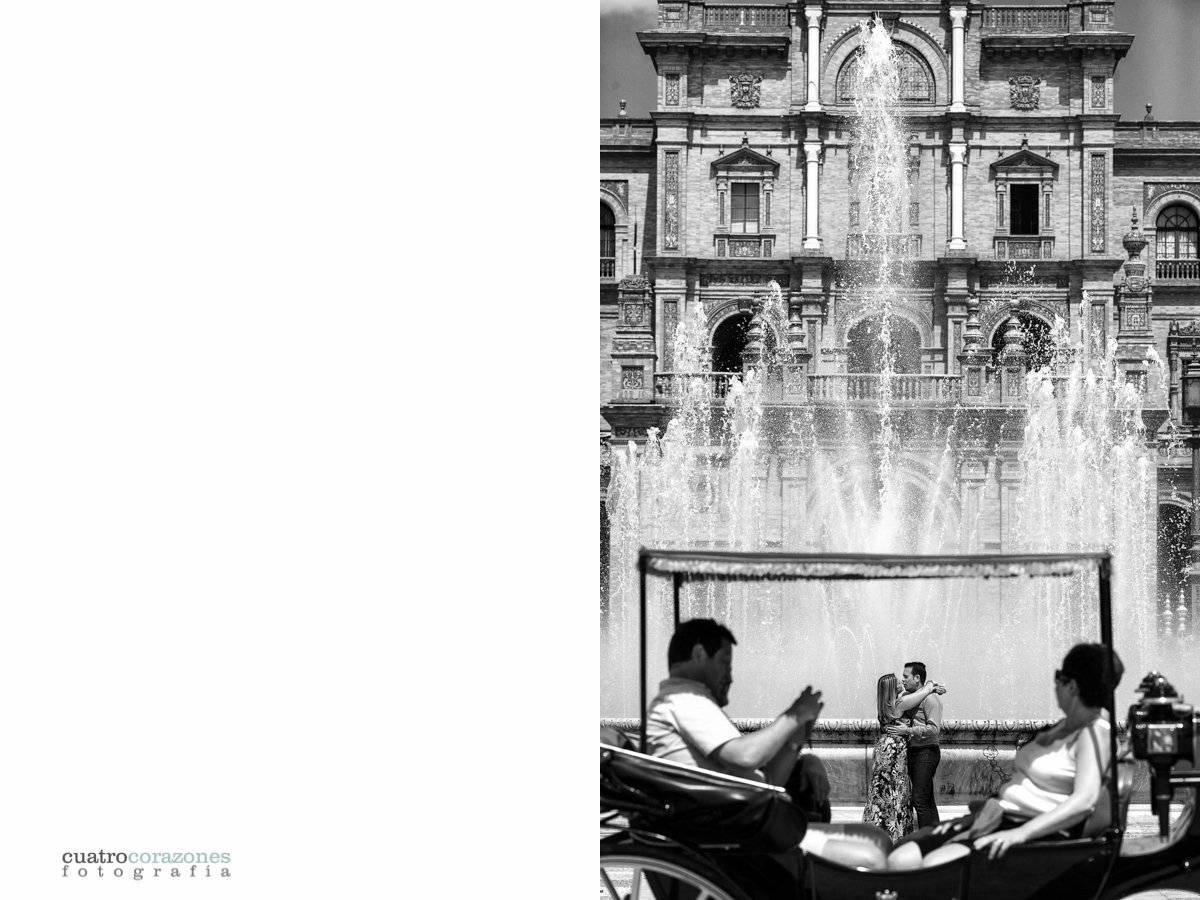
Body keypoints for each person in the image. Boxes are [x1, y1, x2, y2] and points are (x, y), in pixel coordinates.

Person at [646, 618, 892, 869]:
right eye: (724, 663)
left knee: (878, 840)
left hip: (740, 830)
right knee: (872, 857)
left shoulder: (688, 702)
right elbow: (746, 756)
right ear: (699, 654)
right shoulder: (683, 699)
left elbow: (767, 781)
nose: (730, 676)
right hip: (734, 840)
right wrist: (793, 715)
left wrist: (797, 743)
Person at [888, 643, 1124, 869]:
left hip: (1022, 828)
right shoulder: (1065, 728)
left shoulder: (1095, 733)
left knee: (927, 867)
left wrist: (1021, 833)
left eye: (1058, 677)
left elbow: (1084, 801)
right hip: (995, 818)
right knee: (901, 858)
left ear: (1072, 686)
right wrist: (975, 817)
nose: (1054, 686)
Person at [862, 673, 947, 841]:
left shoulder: (889, 704)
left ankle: (881, 830)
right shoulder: (899, 704)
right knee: (894, 792)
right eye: (897, 681)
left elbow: (918, 695)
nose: (901, 681)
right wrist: (930, 686)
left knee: (884, 791)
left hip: (886, 749)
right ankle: (895, 834)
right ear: (891, 688)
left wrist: (931, 688)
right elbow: (923, 693)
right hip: (892, 752)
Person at [893, 661, 943, 828]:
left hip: (926, 752)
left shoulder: (930, 699)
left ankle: (925, 838)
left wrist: (908, 730)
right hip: (914, 752)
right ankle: (935, 835)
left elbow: (934, 729)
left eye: (906, 676)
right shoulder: (911, 696)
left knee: (919, 799)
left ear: (917, 678)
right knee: (927, 799)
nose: (903, 679)